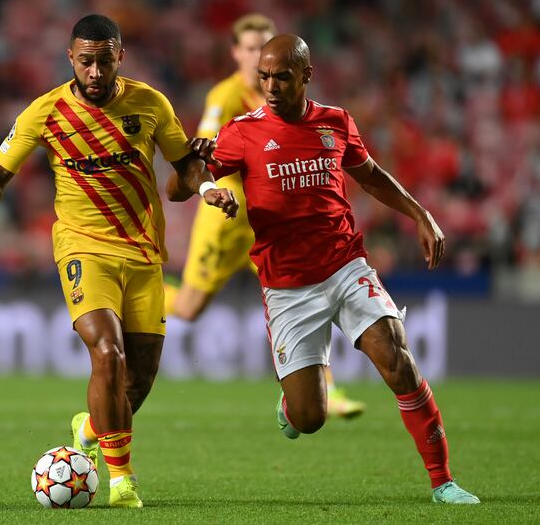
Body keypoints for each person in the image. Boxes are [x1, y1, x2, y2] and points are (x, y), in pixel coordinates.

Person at [168, 34, 479, 504]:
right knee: (311, 416)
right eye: (265, 77)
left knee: (398, 360)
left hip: (345, 264)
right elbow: (176, 188)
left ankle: (444, 482)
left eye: (282, 77)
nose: (271, 86)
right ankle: (293, 409)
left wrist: (420, 214)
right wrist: (196, 171)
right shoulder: (241, 131)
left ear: (307, 76)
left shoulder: (335, 122)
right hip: (288, 286)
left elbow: (371, 175)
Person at [0, 14, 237, 508]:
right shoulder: (44, 113)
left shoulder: (150, 103)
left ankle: (90, 427)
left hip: (143, 251)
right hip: (82, 247)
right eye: (85, 61)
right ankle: (121, 480)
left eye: (103, 61)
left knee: (141, 376)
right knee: (107, 353)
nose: (94, 71)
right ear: (71, 58)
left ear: (119, 58)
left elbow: (185, 166)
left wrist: (210, 187)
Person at [167, 13, 364, 418]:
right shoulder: (225, 97)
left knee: (310, 289)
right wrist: (209, 185)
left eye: (266, 45)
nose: (261, 54)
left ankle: (324, 391)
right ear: (238, 53)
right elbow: (202, 152)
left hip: (270, 220)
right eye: (253, 48)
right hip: (225, 219)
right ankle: (143, 291)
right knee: (188, 309)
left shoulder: (280, 94)